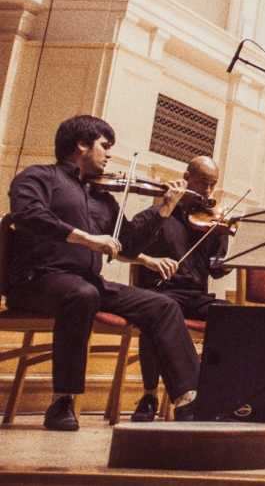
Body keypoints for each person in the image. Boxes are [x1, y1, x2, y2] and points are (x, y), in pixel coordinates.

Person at [5, 115, 201, 430]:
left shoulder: (101, 196)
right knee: (82, 295)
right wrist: (85, 238)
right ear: (82, 144)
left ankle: (190, 399)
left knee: (163, 305)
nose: (109, 154)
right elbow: (27, 213)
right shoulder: (39, 176)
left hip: (87, 283)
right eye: (105, 146)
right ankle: (62, 401)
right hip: (37, 279)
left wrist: (165, 208)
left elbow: (128, 244)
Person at [121, 154, 229, 422]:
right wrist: (149, 260)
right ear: (186, 178)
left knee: (233, 316)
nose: (207, 190)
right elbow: (126, 248)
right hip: (163, 292)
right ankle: (149, 395)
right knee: (157, 312)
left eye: (213, 184)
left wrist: (228, 246)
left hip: (197, 297)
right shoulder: (157, 215)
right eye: (202, 182)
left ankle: (217, 393)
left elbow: (216, 270)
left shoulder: (212, 222)